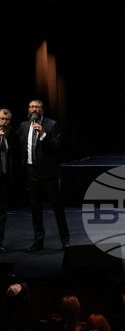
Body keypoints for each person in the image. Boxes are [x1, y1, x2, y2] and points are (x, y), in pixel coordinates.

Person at [19, 99, 70, 251]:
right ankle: (38, 242)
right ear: (28, 109)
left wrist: (42, 134)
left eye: (37, 107)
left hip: (49, 173)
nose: (34, 109)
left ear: (42, 109)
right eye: (31, 106)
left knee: (57, 208)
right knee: (35, 209)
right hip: (31, 172)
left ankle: (65, 240)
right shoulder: (23, 126)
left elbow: (57, 146)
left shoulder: (51, 124)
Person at [0, 108, 18, 253]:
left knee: (2, 213)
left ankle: (0, 242)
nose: (4, 122)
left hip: (4, 178)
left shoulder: (10, 134)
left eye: (7, 120)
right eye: (1, 119)